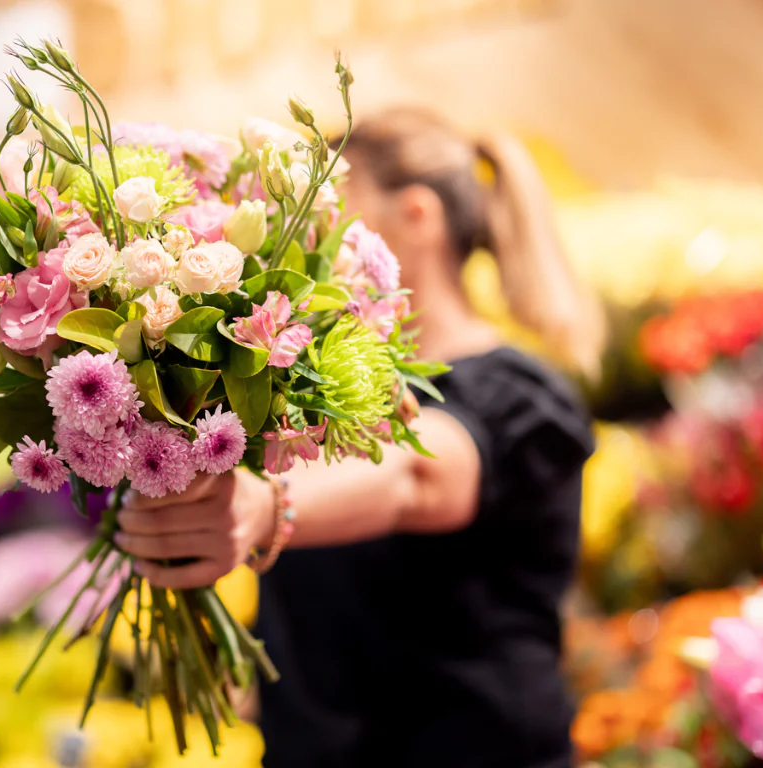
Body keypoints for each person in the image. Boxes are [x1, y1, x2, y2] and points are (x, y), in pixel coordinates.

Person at [114, 108, 607, 768]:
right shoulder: (310, 386)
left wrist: (266, 508)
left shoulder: (519, 396)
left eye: (336, 212)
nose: (310, 242)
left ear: (418, 216)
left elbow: (414, 474)